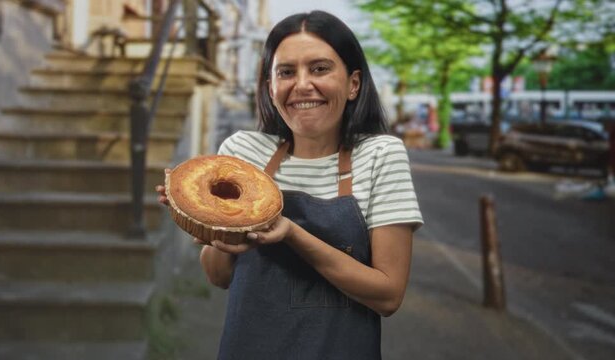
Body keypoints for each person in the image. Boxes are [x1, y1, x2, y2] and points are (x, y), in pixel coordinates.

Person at [157, 10, 423, 359]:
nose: (301, 85)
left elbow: (388, 295)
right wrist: (219, 232)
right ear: (271, 87)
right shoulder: (242, 151)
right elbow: (219, 277)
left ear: (353, 83)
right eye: (286, 72)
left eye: (319, 69)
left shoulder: (379, 155)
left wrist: (291, 233)